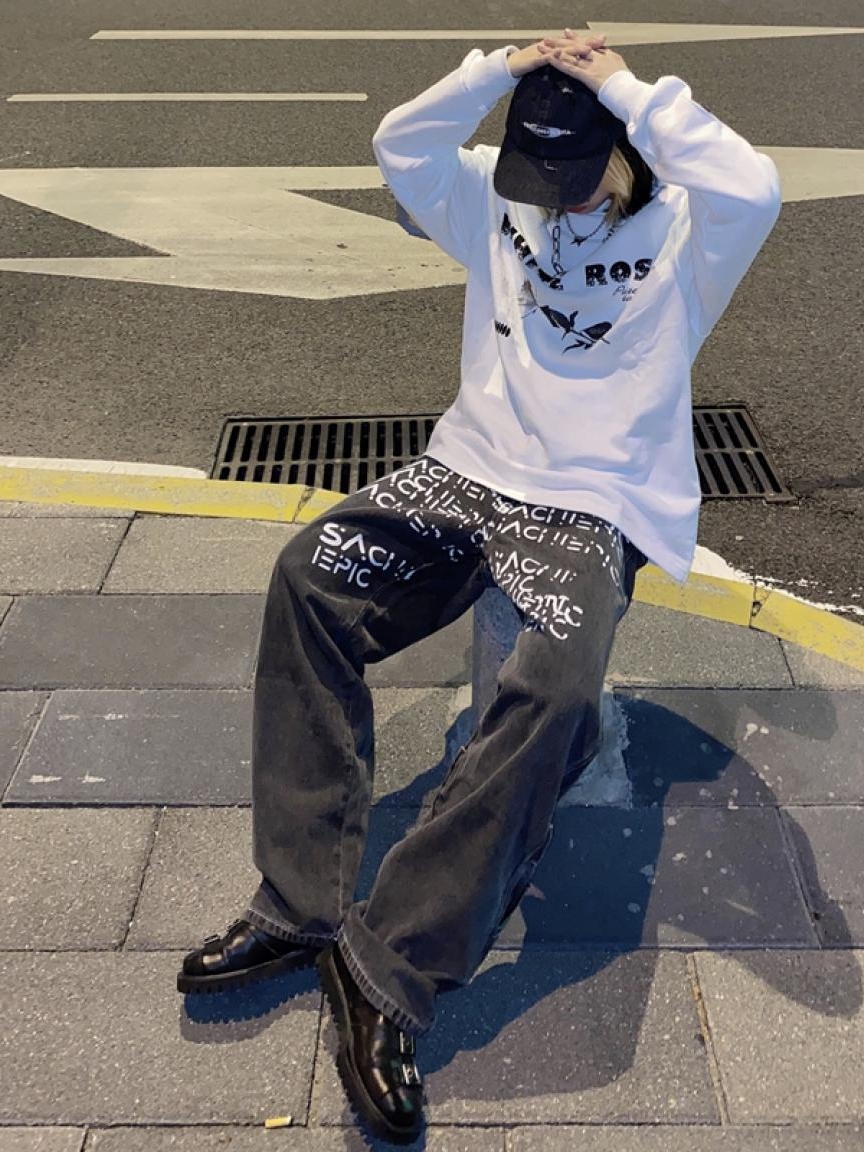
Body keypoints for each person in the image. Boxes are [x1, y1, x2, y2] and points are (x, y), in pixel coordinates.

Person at [177, 28, 781, 1146]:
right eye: (534, 175)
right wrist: (497, 70)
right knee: (309, 578)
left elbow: (756, 181)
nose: (552, 202)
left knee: (555, 693)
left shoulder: (692, 234)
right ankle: (301, 902)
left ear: (627, 154)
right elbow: (398, 145)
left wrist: (628, 88)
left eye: (575, 177)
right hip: (464, 474)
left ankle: (389, 966)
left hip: (588, 505)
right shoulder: (497, 197)